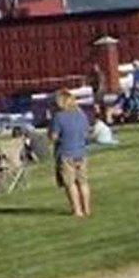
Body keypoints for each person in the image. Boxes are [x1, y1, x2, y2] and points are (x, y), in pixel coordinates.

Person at [49, 90, 92, 218]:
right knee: (83, 182)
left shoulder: (58, 117)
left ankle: (77, 210)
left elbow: (53, 137)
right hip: (81, 152)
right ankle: (87, 208)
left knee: (70, 183)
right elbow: (86, 132)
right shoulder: (81, 115)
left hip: (66, 153)